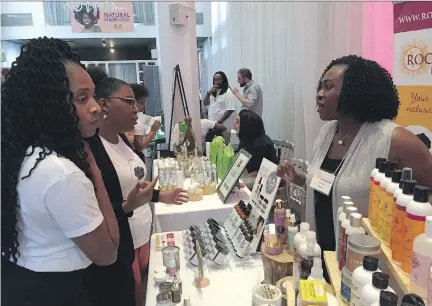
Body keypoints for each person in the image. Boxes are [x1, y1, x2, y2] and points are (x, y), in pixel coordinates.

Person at [277, 55, 432, 280]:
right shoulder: (327, 133)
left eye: (328, 87)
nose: (319, 94)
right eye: (320, 86)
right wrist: (300, 178)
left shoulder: (392, 139)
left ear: (355, 92)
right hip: (321, 256)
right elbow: (331, 184)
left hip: (366, 271)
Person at [1, 37, 122, 306]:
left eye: (93, 95)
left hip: (20, 282)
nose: (95, 107)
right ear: (51, 104)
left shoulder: (22, 155)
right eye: (82, 98)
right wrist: (93, 170)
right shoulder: (62, 173)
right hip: (57, 291)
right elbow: (107, 253)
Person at [84, 75, 189, 306]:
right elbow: (94, 210)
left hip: (142, 234)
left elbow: (134, 187)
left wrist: (161, 196)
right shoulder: (90, 150)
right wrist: (126, 207)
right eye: (129, 102)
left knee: (146, 289)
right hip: (122, 244)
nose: (137, 110)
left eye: (136, 103)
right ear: (104, 104)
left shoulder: (122, 139)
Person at [234, 109, 279, 189]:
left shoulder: (261, 145)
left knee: (235, 185)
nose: (234, 123)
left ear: (246, 126)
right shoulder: (246, 139)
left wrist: (240, 179)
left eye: (237, 122)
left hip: (264, 178)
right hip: (252, 174)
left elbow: (261, 171)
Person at [129, 83, 160, 152]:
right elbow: (140, 147)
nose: (144, 105)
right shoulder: (135, 121)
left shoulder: (139, 116)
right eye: (142, 102)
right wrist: (152, 131)